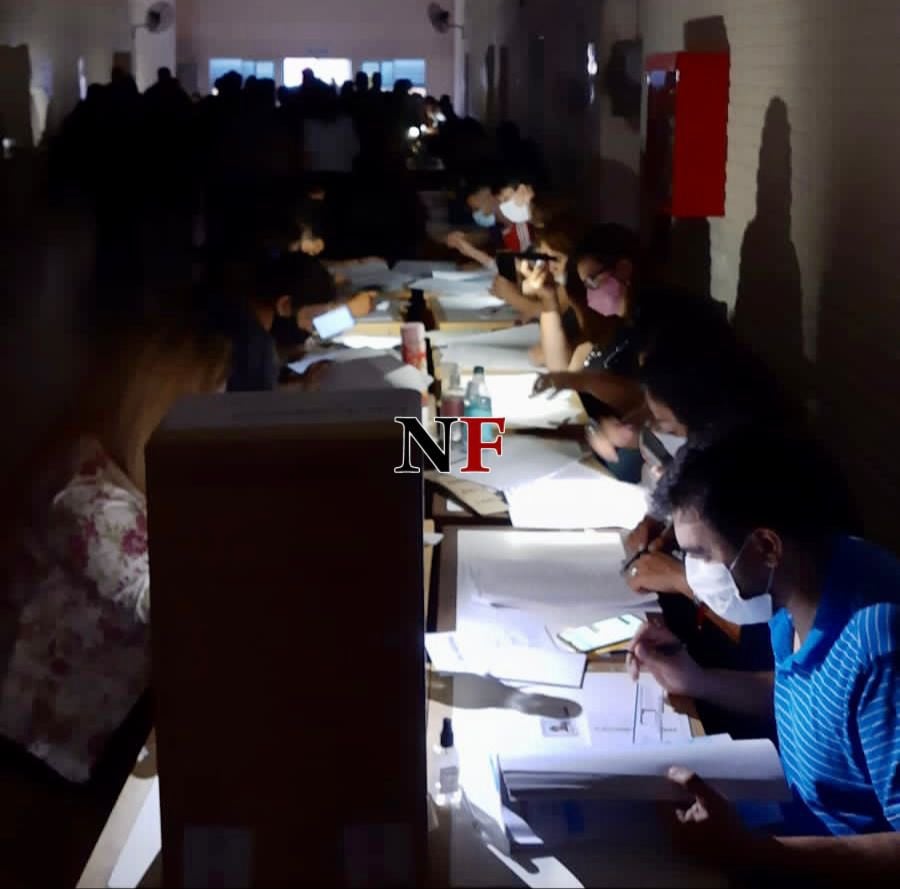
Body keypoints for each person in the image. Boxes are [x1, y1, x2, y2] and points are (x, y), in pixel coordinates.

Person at [628, 431, 899, 883]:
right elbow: (822, 705)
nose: (693, 570)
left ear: (767, 546)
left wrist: (747, 852)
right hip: (784, 827)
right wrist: (696, 681)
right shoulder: (798, 584)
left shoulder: (880, 646)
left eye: (700, 553)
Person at [0, 315, 230, 783]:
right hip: (52, 749)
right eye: (210, 405)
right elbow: (190, 610)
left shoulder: (127, 469)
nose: (219, 422)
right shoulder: (89, 502)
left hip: (111, 722)